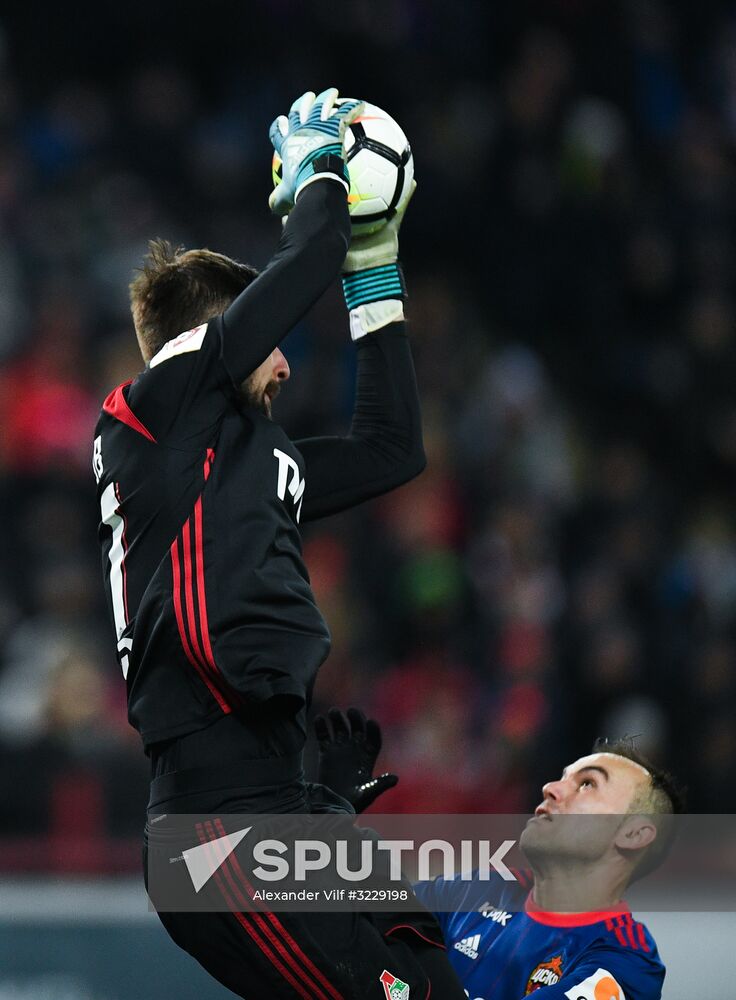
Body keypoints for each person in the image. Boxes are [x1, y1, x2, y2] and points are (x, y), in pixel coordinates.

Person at [93, 88, 466, 999]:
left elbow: (391, 449)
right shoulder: (159, 406)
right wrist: (317, 173)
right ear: (207, 341)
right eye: (267, 343)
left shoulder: (238, 464)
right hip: (215, 829)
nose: (288, 361)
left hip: (276, 798)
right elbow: (308, 256)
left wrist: (375, 269)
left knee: (438, 984)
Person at [318, 710, 684, 999]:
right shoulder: (475, 891)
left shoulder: (625, 965)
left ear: (633, 833)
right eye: (562, 777)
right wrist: (330, 821)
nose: (551, 788)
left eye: (587, 784)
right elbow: (333, 934)